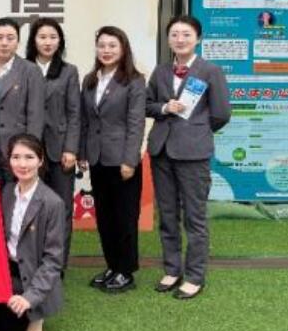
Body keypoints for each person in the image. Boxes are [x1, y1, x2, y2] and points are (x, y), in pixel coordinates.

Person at [146, 15, 231, 299]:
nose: (180, 39)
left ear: (198, 38)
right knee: (167, 214)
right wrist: (165, 108)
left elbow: (221, 113)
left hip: (193, 153)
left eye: (186, 34)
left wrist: (196, 131)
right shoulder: (160, 71)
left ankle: (194, 276)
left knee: (194, 217)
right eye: (174, 34)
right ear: (168, 39)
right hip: (161, 151)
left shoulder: (210, 71)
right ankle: (172, 269)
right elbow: (147, 104)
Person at [0, 133, 64, 331]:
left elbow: (53, 262)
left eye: (29, 157)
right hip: (5, 272)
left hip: (32, 273)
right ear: (9, 160)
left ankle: (36, 317)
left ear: (40, 160)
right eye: (16, 157)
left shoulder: (53, 203)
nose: (22, 164)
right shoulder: (6, 192)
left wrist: (29, 298)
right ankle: (13, 309)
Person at [78, 26, 146, 293]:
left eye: (112, 46)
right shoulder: (90, 79)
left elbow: (136, 123)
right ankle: (112, 265)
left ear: (123, 48)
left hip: (122, 160)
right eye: (102, 45)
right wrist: (83, 152)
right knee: (105, 217)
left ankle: (125, 271)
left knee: (125, 217)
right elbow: (85, 120)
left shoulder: (134, 80)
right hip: (97, 158)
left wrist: (130, 160)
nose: (106, 50)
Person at [25, 17, 80, 272]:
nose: (47, 42)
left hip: (60, 152)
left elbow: (74, 113)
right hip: (29, 151)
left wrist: (71, 148)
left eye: (53, 37)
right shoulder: (23, 68)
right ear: (33, 41)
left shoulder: (69, 71)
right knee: (31, 208)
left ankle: (57, 268)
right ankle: (32, 264)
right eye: (42, 37)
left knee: (61, 209)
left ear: (60, 42)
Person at [0, 18, 45, 187]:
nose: (4, 43)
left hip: (18, 154)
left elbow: (35, 116)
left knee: (16, 199)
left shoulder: (30, 71)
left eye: (10, 38)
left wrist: (29, 154)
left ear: (18, 42)